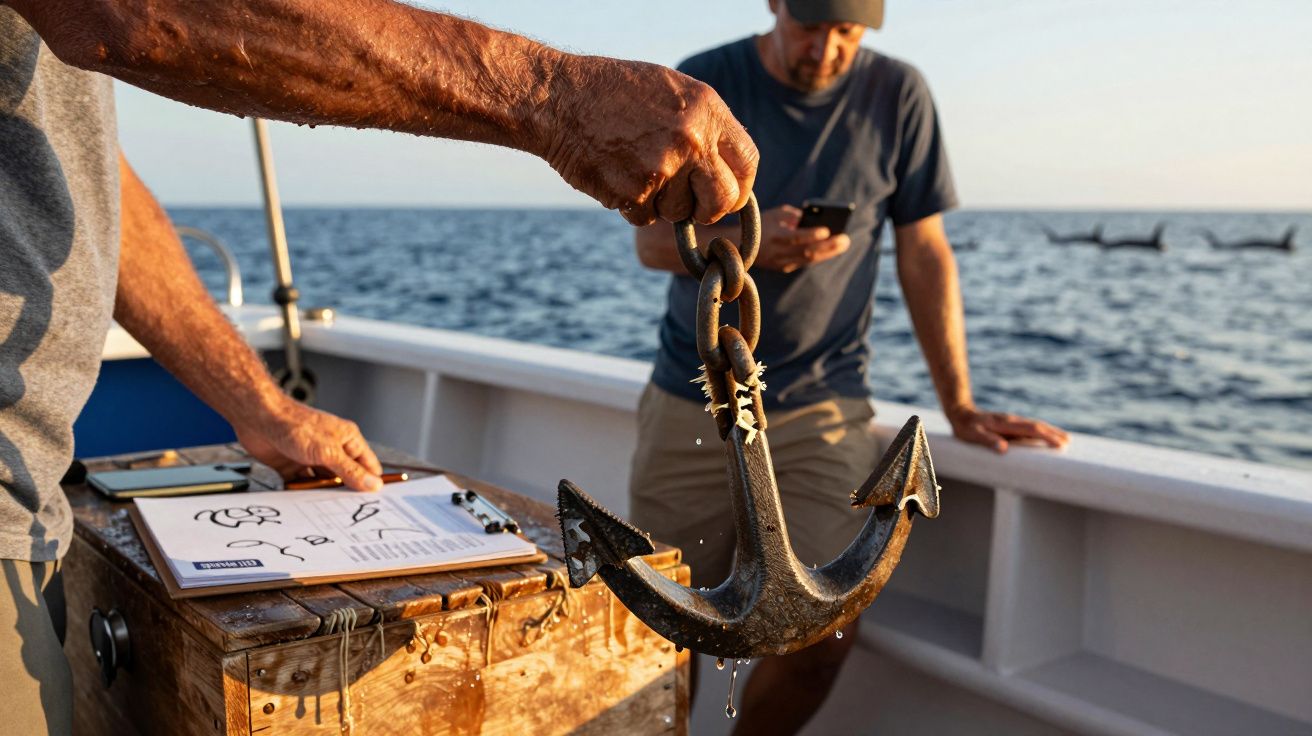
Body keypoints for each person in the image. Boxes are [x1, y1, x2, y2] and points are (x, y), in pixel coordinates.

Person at [2, 2, 760, 732]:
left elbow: (92, 184)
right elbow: (130, 13)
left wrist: (260, 404)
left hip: (31, 506)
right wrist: (553, 96)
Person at [628, 1, 1069, 733]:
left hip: (824, 406)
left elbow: (924, 251)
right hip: (692, 397)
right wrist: (755, 244)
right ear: (774, 4)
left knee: (822, 639)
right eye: (809, 24)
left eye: (848, 32)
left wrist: (958, 403)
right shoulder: (704, 86)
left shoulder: (899, 95)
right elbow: (649, 247)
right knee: (652, 634)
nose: (825, 50)